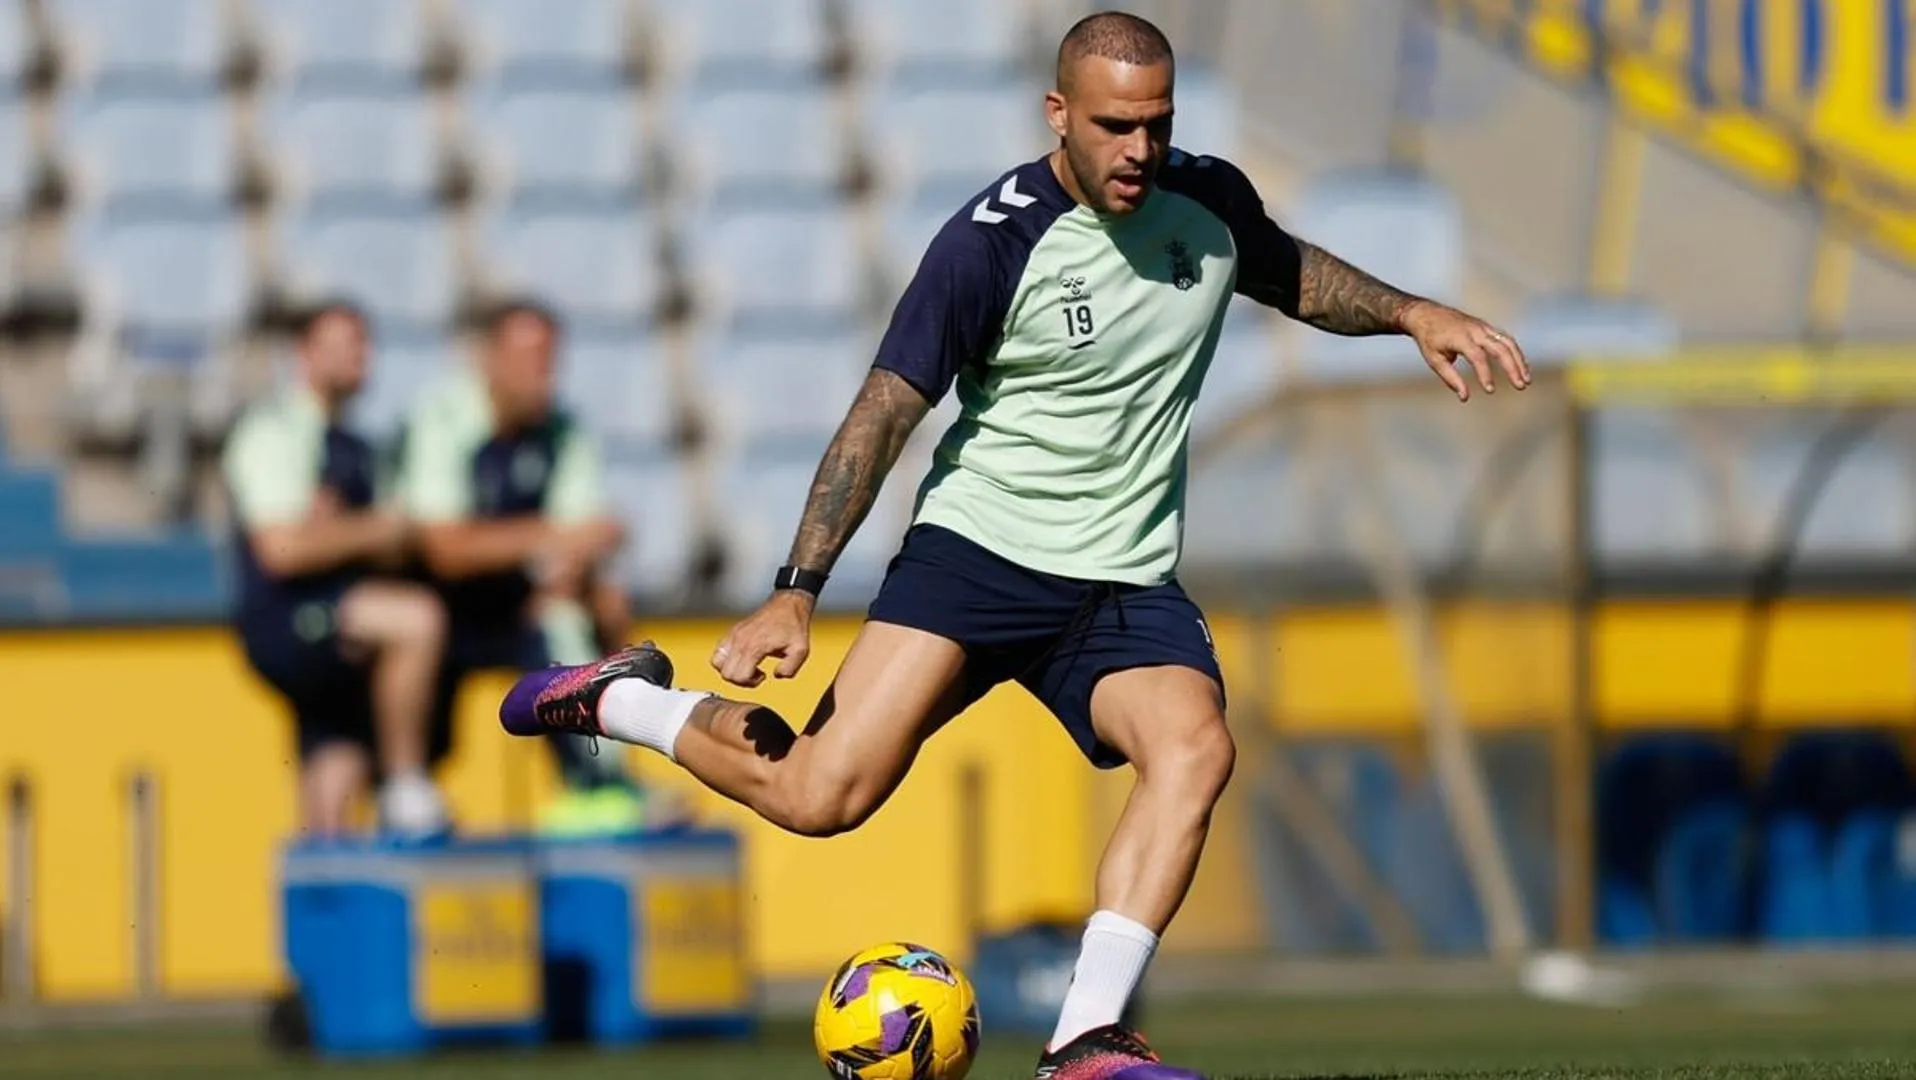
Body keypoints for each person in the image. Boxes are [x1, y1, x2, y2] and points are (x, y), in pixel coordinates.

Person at [500, 11, 1530, 1078]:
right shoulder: (990, 241)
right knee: (818, 796)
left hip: (1121, 578)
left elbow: (1285, 270)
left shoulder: (1204, 198)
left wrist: (1411, 313)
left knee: (1193, 749)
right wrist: (794, 590)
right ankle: (616, 698)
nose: (1139, 150)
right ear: (1057, 114)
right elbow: (881, 416)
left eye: (1156, 124)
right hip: (976, 558)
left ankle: (1084, 1039)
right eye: (1113, 125)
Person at [396, 300, 678, 833]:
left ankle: (600, 781)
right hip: (436, 606)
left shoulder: (563, 429)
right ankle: (405, 786)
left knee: (593, 604)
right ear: (489, 360)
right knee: (413, 625)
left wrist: (568, 559)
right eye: (527, 358)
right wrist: (555, 538)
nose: (541, 374)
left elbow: (585, 537)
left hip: (519, 603)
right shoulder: (442, 418)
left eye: (549, 360)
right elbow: (443, 549)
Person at [223, 300, 452, 839]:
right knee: (417, 621)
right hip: (290, 617)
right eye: (344, 343)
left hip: (341, 615)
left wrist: (347, 531)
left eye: (364, 344)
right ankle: (405, 784)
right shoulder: (276, 430)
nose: (360, 357)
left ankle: (325, 891)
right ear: (304, 353)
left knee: (337, 748)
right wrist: (374, 529)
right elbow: (282, 549)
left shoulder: (355, 446)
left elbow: (386, 540)